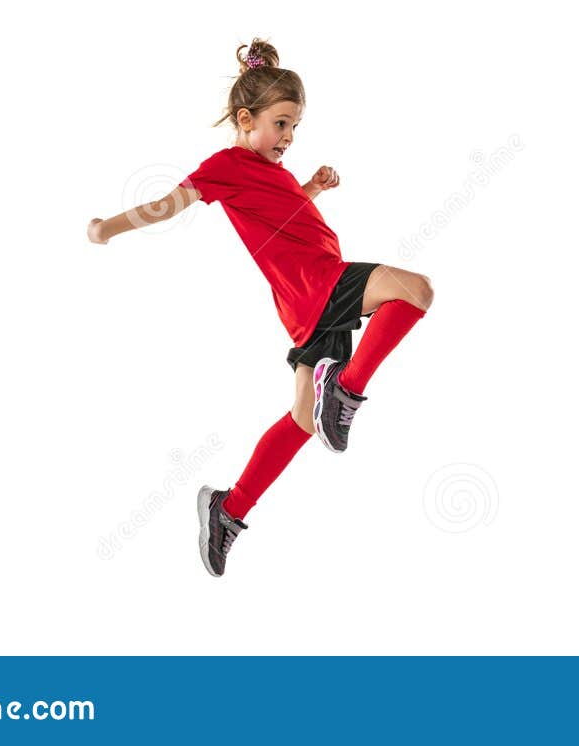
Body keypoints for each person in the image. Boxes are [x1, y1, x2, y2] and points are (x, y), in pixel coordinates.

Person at [87, 38, 433, 577]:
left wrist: (309, 190)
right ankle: (345, 388)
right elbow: (167, 203)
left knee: (301, 419)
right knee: (416, 290)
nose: (289, 137)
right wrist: (108, 227)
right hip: (317, 285)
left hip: (311, 302)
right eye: (281, 124)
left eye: (295, 127)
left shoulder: (269, 174)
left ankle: (228, 511)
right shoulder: (226, 166)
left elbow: (281, 219)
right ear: (247, 119)